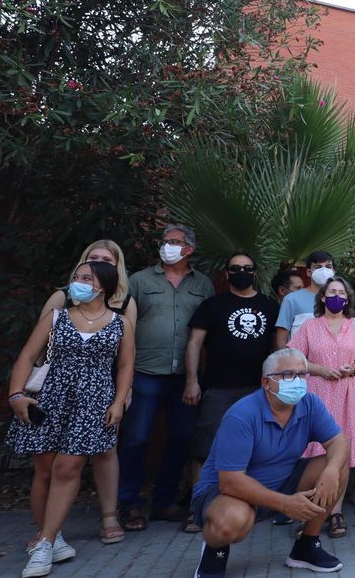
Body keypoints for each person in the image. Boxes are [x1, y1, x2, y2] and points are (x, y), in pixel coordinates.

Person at [8, 261, 134, 577]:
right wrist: (15, 395)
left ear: (102, 285)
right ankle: (54, 537)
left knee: (68, 466)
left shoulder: (120, 324)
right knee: (44, 469)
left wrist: (119, 402)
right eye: (76, 277)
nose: (78, 282)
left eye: (85, 278)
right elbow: (26, 356)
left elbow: (124, 366)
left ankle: (45, 545)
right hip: (51, 399)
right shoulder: (56, 317)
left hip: (93, 402)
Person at [190, 349, 349, 577]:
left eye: (302, 375)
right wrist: (285, 504)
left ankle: (307, 546)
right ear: (267, 382)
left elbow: (339, 440)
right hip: (226, 495)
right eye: (287, 375)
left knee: (337, 465)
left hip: (282, 484)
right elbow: (230, 482)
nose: (297, 381)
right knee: (231, 521)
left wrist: (332, 471)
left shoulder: (310, 403)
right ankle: (214, 553)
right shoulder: (242, 414)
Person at [37, 240, 135, 545]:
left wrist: (123, 394)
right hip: (58, 388)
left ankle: (108, 516)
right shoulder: (61, 297)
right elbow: (39, 344)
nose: (98, 262)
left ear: (115, 267)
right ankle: (48, 531)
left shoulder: (125, 302)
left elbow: (127, 356)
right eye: (93, 258)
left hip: (102, 388)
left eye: (106, 259)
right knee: (52, 460)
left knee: (106, 451)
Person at [118, 224, 215, 532]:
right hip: (145, 371)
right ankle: (129, 503)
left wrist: (197, 377)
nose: (167, 246)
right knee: (136, 438)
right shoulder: (139, 280)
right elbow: (124, 326)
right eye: (165, 242)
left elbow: (207, 330)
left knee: (182, 439)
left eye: (175, 242)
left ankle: (164, 502)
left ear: (190, 249)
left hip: (185, 377)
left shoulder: (203, 284)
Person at [181, 252, 280, 533]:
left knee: (259, 450)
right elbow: (194, 344)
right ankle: (197, 509)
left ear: (255, 273)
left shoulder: (269, 306)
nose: (242, 272)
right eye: (236, 268)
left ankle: (250, 507)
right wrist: (192, 380)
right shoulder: (212, 305)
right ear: (227, 273)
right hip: (219, 388)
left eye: (247, 268)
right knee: (205, 448)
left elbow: (277, 348)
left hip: (259, 389)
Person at [286, 276, 355, 537]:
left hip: (348, 393)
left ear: (347, 299)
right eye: (332, 292)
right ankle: (309, 511)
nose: (338, 296)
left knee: (341, 452)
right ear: (323, 297)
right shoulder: (310, 326)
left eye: (342, 293)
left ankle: (335, 512)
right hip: (317, 394)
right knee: (314, 452)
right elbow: (294, 357)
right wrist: (320, 369)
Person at [275, 250, 336, 349]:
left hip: (333, 362)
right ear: (308, 272)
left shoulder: (340, 299)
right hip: (299, 362)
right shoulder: (291, 299)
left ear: (333, 272)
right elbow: (281, 339)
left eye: (328, 267)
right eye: (318, 267)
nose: (324, 270)